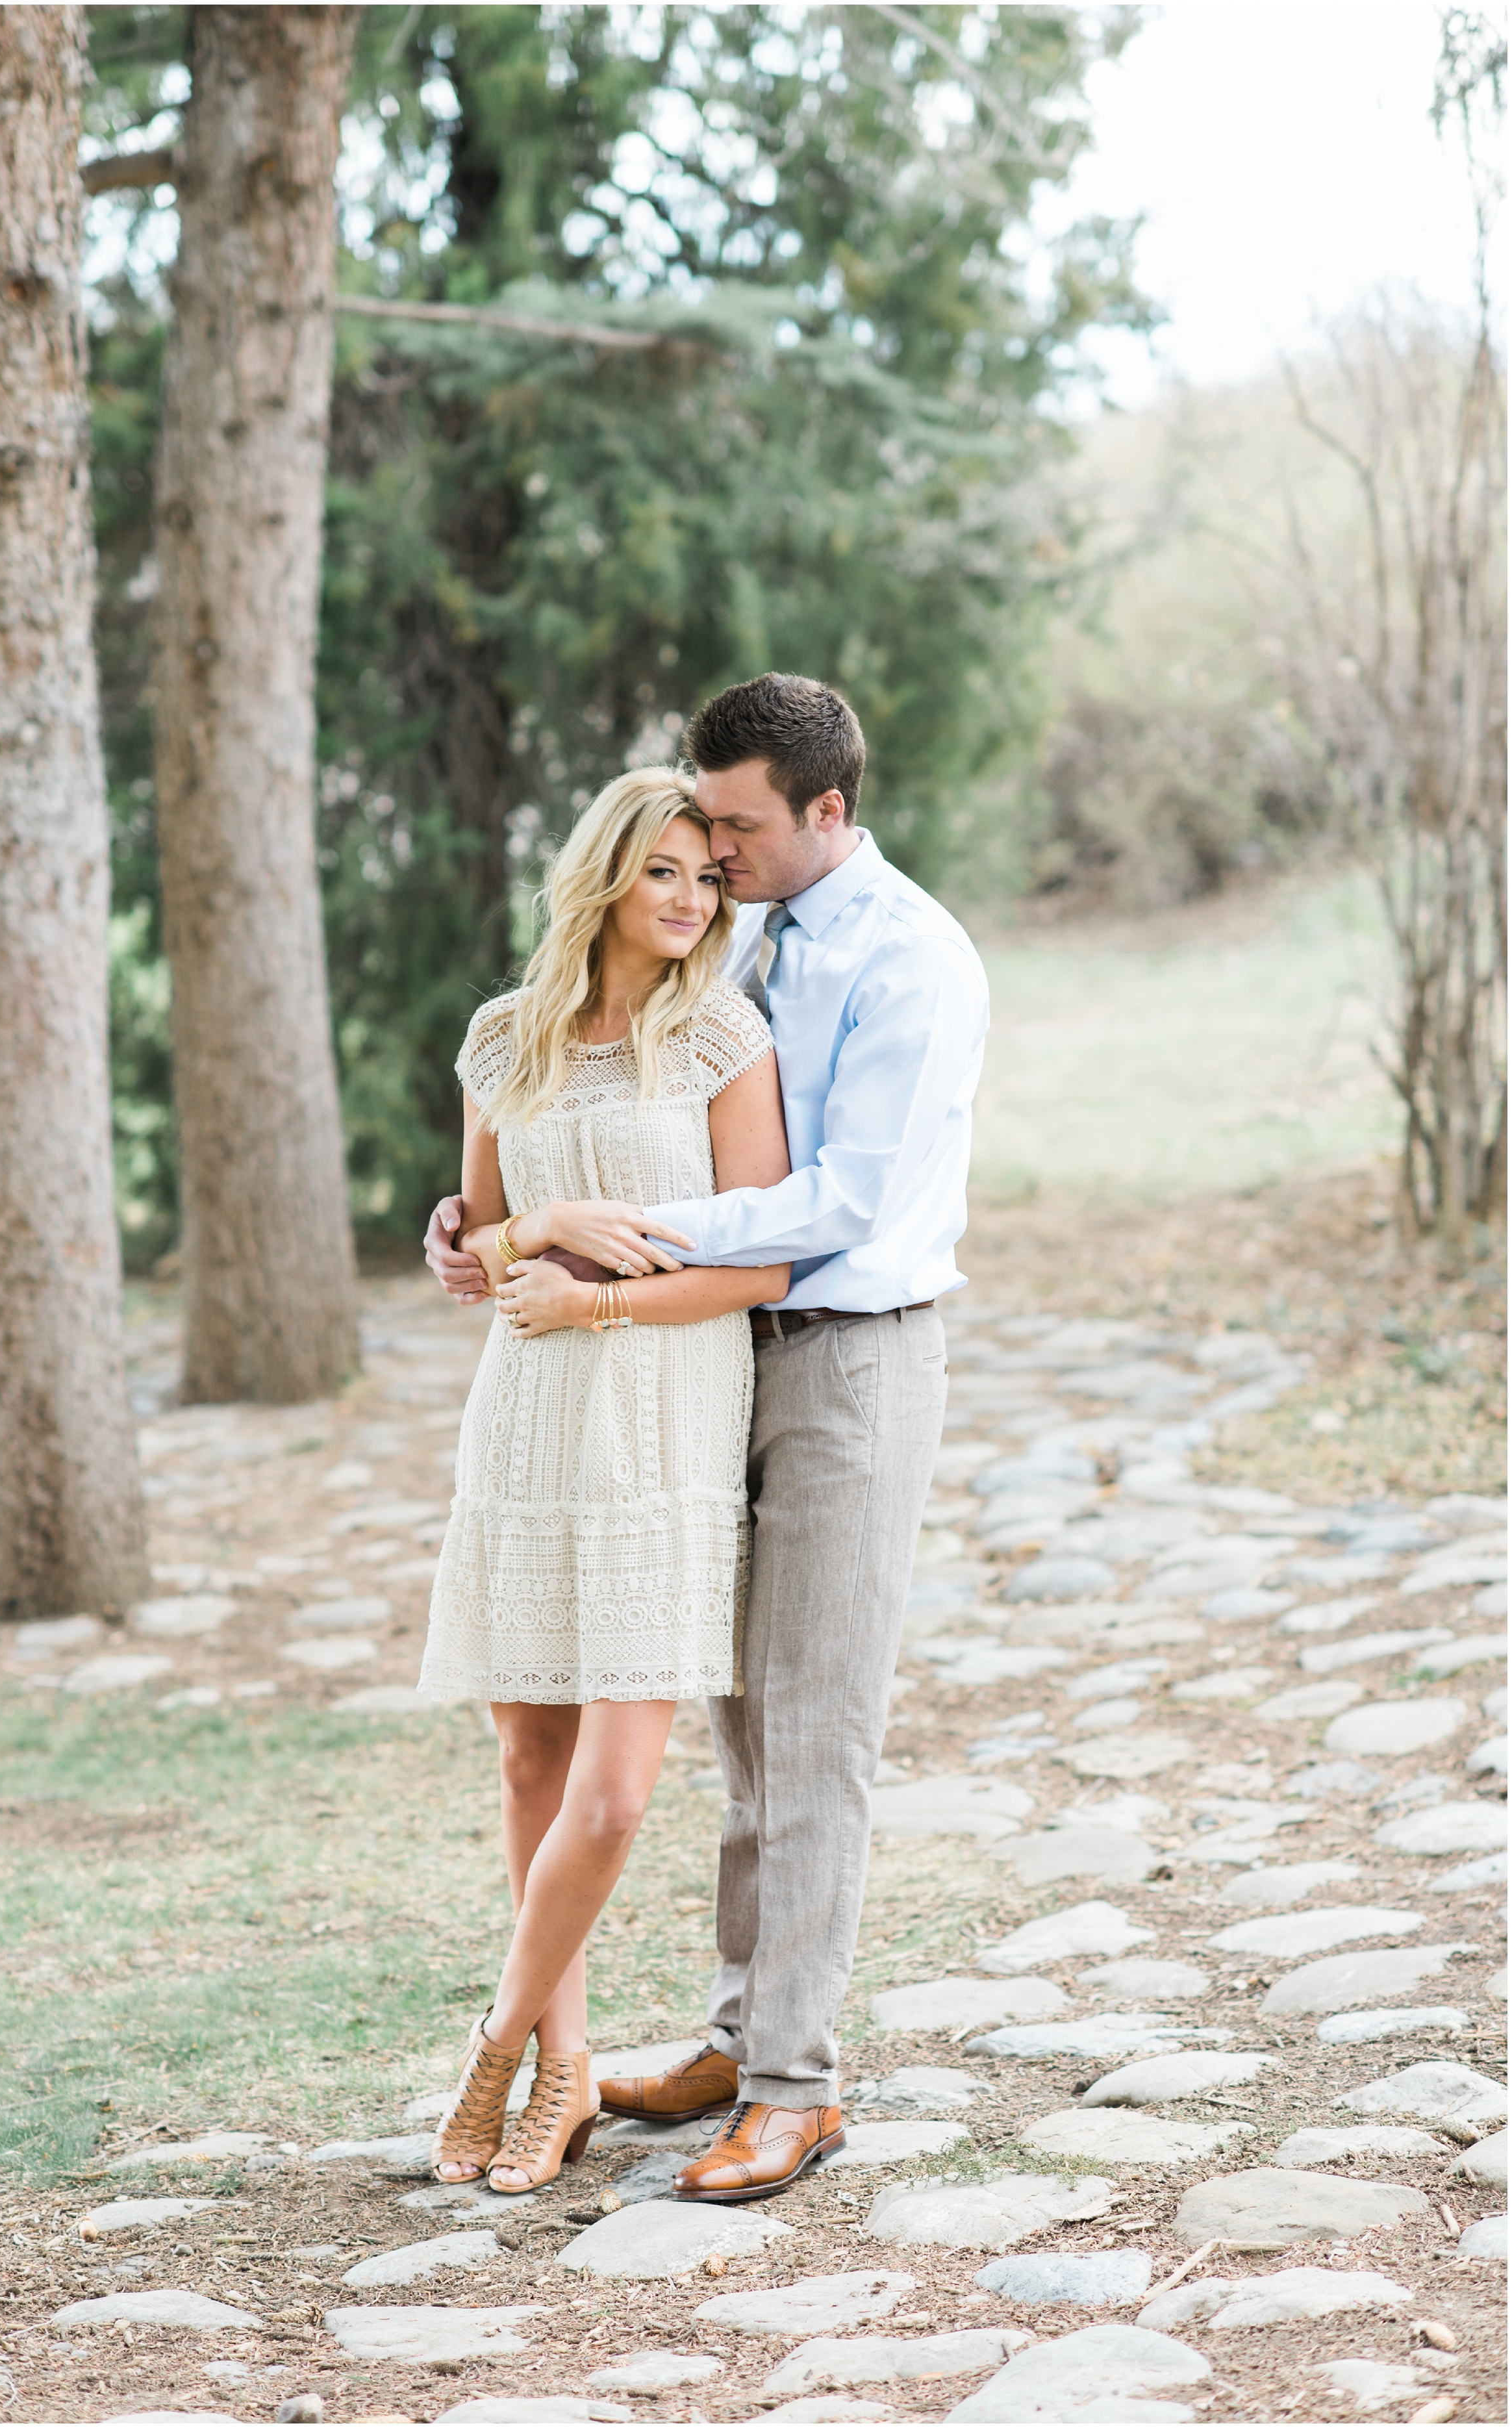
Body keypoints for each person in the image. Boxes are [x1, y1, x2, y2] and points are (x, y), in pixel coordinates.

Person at [426, 673, 989, 2201]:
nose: (713, 859)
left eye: (736, 828)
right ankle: (743, 2037)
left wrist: (593, 1234)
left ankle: (796, 2088)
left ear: (827, 812)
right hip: (712, 1363)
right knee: (742, 1737)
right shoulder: (739, 934)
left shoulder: (908, 959)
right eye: (692, 834)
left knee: (812, 1738)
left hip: (845, 1358)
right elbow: (572, 1092)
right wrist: (485, 1224)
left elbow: (842, 1202)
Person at [418, 765, 791, 2196]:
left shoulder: (721, 1039)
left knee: (619, 1790)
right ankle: (565, 2069)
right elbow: (480, 1248)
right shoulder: (503, 1038)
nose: (694, 902)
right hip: (525, 1412)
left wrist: (600, 1302)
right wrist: (537, 1232)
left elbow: (759, 1263)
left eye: (708, 877)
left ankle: (499, 2046)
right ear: (605, 879)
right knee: (528, 1758)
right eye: (666, 875)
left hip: (661, 1409)